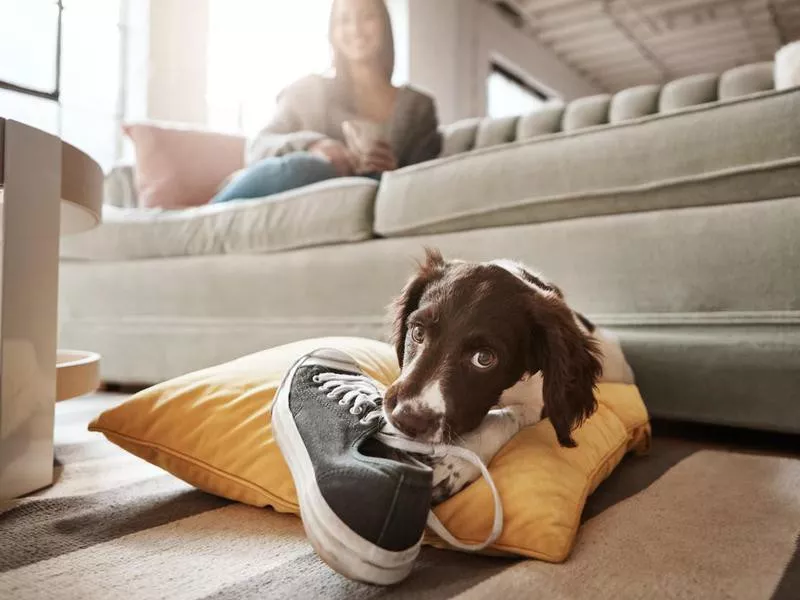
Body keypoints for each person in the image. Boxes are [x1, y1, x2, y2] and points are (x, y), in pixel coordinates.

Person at [212, 0, 442, 204]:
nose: (356, 29)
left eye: (367, 17)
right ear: (332, 31)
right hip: (284, 196)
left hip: (359, 207)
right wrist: (314, 146)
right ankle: (201, 219)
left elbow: (424, 187)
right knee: (313, 167)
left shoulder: (417, 107)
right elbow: (258, 147)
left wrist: (395, 173)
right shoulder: (308, 91)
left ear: (384, 24)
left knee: (375, 181)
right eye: (344, 20)